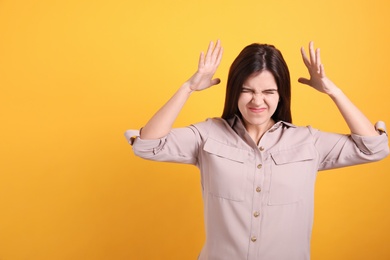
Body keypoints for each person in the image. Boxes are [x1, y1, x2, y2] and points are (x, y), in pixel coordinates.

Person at [124, 40, 389, 260]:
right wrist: (189, 87)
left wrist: (333, 91)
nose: (257, 101)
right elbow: (148, 146)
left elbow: (374, 148)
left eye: (268, 92)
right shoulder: (207, 135)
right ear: (233, 91)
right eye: (247, 90)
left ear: (281, 94)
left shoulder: (308, 142)